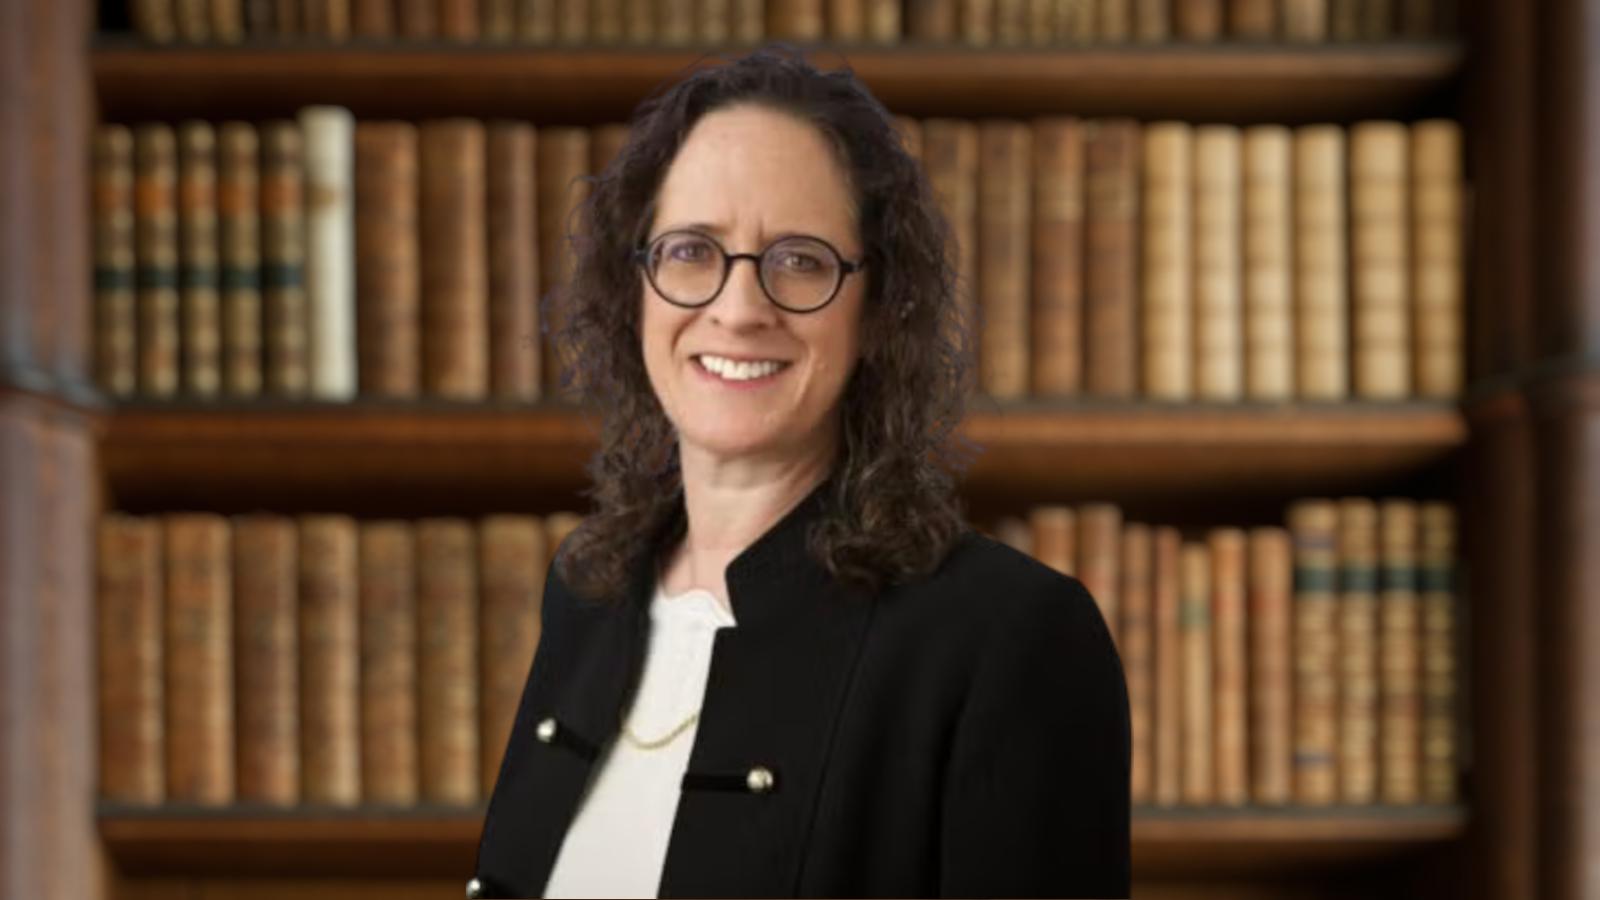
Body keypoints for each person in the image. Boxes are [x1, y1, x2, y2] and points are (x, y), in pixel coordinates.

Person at [470, 46, 1130, 899]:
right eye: (691, 251)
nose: (740, 308)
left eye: (800, 260)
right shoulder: (588, 596)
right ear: (633, 286)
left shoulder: (1008, 641)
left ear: (878, 308)